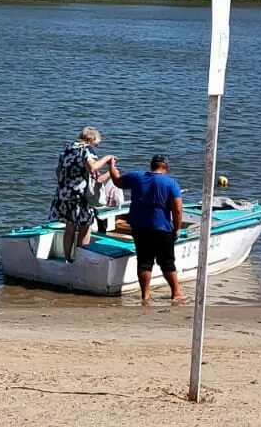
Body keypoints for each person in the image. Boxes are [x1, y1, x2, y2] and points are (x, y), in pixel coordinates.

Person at [109, 153, 186, 305]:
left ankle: (145, 295)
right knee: (167, 262)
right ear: (166, 167)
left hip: (139, 227)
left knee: (144, 261)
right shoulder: (171, 184)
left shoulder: (137, 177)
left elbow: (117, 181)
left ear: (151, 165)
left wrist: (111, 166)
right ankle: (176, 293)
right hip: (162, 228)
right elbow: (177, 210)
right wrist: (176, 229)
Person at [48, 126, 118, 262]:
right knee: (85, 227)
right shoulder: (86, 149)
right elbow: (93, 167)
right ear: (90, 139)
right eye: (96, 143)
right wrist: (107, 158)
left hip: (63, 194)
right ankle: (80, 259)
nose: (97, 145)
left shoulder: (67, 149)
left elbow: (58, 172)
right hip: (79, 196)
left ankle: (68, 259)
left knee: (69, 227)